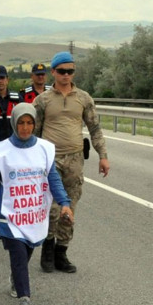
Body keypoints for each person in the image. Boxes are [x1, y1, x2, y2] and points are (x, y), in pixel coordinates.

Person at [0, 103, 73, 305]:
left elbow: (53, 179)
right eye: (21, 122)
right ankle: (24, 298)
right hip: (10, 213)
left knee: (29, 248)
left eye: (30, 123)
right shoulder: (2, 151)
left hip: (34, 213)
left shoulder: (44, 149)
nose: (25, 127)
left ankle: (16, 277)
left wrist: (65, 203)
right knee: (18, 253)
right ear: (14, 123)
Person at [33, 52, 110, 273]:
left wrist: (103, 156)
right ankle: (47, 250)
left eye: (70, 71)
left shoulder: (83, 98)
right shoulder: (43, 100)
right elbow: (34, 133)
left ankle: (62, 252)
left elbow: (95, 128)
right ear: (54, 72)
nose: (66, 75)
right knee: (52, 208)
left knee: (70, 206)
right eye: (62, 71)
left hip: (75, 159)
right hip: (50, 159)